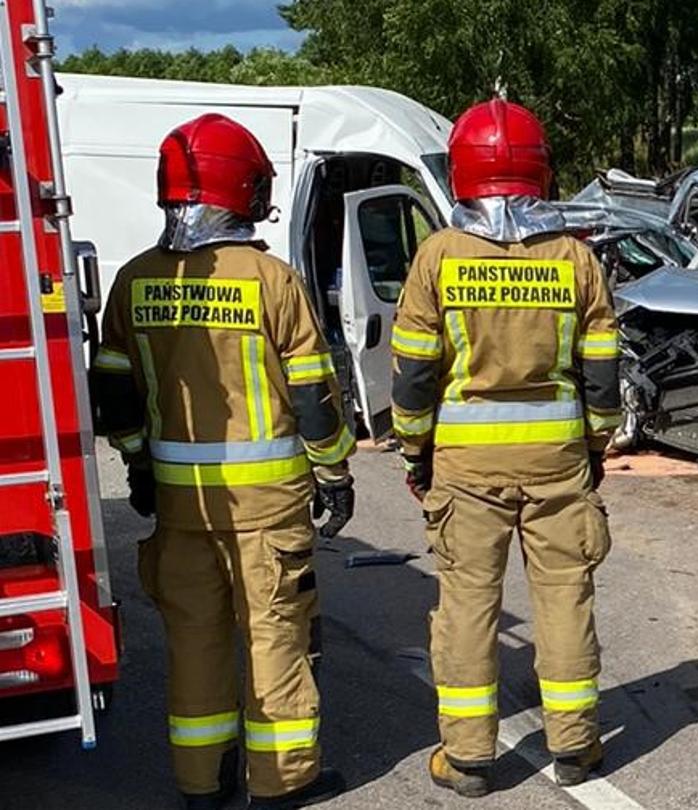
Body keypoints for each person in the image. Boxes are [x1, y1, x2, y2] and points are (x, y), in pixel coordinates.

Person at [91, 113, 356, 810]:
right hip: (266, 507)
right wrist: (334, 471)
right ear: (246, 190)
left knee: (196, 642)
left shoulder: (133, 281)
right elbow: (313, 399)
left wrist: (139, 468)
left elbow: (113, 392)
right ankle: (281, 780)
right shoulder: (272, 279)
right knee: (275, 639)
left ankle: (201, 784)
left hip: (179, 506)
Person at [388, 98, 621, 798]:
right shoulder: (575, 257)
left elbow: (412, 375)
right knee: (564, 599)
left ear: (462, 172)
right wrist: (596, 445)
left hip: (464, 468)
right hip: (557, 462)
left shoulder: (437, 256)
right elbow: (602, 375)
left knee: (466, 606)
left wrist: (412, 453)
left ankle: (467, 759)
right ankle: (576, 745)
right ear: (540, 171)